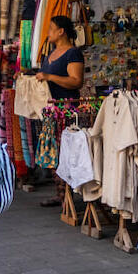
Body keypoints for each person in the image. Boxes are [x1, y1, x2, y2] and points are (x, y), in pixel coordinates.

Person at [35, 15, 84, 207]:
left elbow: (76, 81)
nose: (48, 33)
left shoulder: (73, 54)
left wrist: (49, 76)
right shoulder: (51, 53)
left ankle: (69, 196)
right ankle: (60, 193)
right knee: (54, 151)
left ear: (61, 31)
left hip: (67, 109)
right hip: (52, 109)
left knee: (67, 151)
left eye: (51, 29)